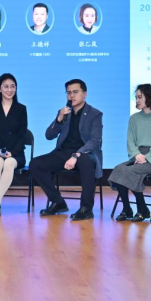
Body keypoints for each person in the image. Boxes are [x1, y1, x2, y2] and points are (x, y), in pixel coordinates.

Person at [31, 78, 103, 221]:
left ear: (85, 94)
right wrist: (59, 118)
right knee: (35, 164)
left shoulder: (95, 114)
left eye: (75, 92)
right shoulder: (65, 113)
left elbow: (95, 141)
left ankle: (86, 208)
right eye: (69, 93)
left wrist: (77, 155)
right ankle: (58, 202)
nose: (71, 96)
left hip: (85, 153)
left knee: (85, 161)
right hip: (64, 153)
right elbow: (49, 135)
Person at [108, 84, 151, 222]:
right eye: (136, 97)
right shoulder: (134, 118)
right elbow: (130, 140)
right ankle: (128, 209)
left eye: (140, 97)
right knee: (118, 169)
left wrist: (147, 157)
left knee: (128, 172)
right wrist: (137, 155)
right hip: (137, 156)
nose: (137, 100)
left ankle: (142, 209)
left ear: (149, 97)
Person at [0, 73, 27, 216]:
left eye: (13, 86)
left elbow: (22, 135)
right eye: (6, 86)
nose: (10, 90)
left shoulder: (21, 109)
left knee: (8, 163)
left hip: (16, 153)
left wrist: (12, 152)